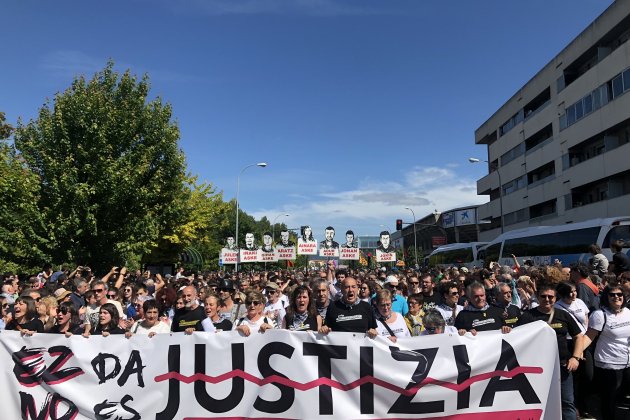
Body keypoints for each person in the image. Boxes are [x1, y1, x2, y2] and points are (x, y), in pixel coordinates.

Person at [517, 285, 585, 420]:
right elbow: (517, 339)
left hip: (562, 367)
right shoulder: (528, 316)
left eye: (550, 297)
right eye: (543, 296)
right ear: (537, 297)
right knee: (538, 403)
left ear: (555, 298)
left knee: (567, 403)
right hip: (536, 370)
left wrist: (575, 358)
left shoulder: (563, 315)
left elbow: (578, 336)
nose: (547, 299)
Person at [581, 283, 630, 420]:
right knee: (609, 399)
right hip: (608, 364)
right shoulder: (600, 315)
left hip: (627, 363)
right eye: (612, 294)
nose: (616, 297)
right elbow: (589, 337)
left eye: (619, 294)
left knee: (622, 397)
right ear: (606, 297)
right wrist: (577, 352)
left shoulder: (628, 313)